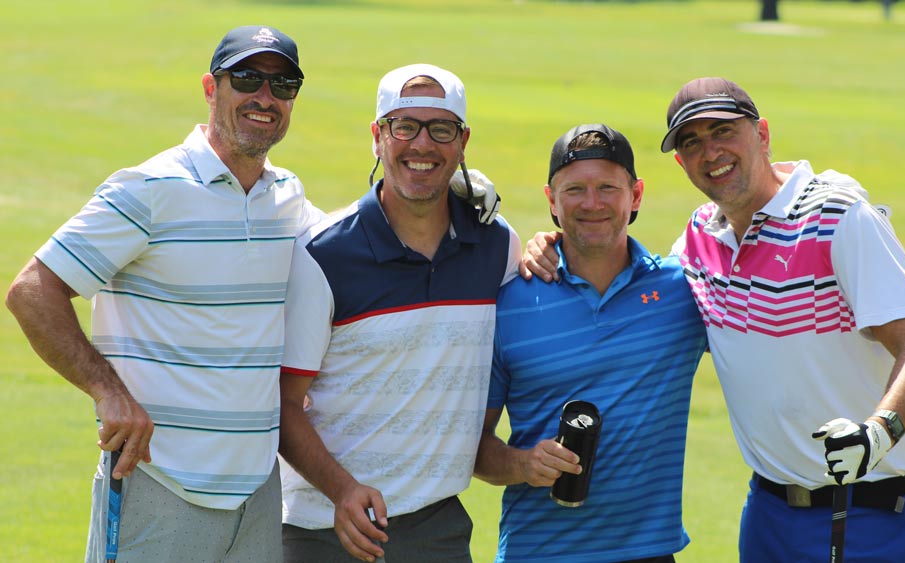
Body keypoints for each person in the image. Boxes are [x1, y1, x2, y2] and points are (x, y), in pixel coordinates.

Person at [525, 78, 905, 562]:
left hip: (871, 510)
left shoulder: (838, 214)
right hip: (769, 513)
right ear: (681, 163)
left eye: (723, 132)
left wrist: (878, 432)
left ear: (762, 135)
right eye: (692, 142)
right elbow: (634, 282)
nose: (711, 152)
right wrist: (557, 241)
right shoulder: (701, 236)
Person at [5, 25, 326, 562]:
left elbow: (358, 237)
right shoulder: (149, 189)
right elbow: (32, 290)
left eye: (283, 84)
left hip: (257, 491)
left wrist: (462, 192)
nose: (265, 97)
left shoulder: (286, 195)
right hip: (159, 484)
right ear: (211, 88)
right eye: (247, 78)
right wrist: (107, 391)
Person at [276, 63, 521, 563]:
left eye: (441, 129)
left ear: (463, 141)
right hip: (325, 528)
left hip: (439, 526)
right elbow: (280, 403)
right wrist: (342, 489)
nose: (422, 145)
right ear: (377, 136)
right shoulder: (323, 254)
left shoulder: (499, 247)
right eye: (405, 126)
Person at [473, 124, 707, 563]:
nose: (593, 203)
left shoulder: (681, 292)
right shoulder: (509, 302)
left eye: (607, 188)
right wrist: (523, 464)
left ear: (635, 196)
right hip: (537, 551)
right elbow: (473, 446)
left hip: (649, 552)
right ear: (551, 201)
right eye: (575, 189)